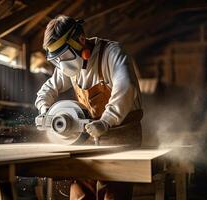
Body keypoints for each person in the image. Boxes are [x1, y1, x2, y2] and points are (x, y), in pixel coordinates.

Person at [35, 15, 143, 200]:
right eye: (56, 59)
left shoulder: (113, 53)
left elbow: (126, 88)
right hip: (89, 138)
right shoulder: (67, 64)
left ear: (81, 40)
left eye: (64, 55)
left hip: (122, 135)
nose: (61, 64)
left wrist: (106, 121)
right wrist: (45, 111)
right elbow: (47, 90)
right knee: (80, 190)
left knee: (113, 191)